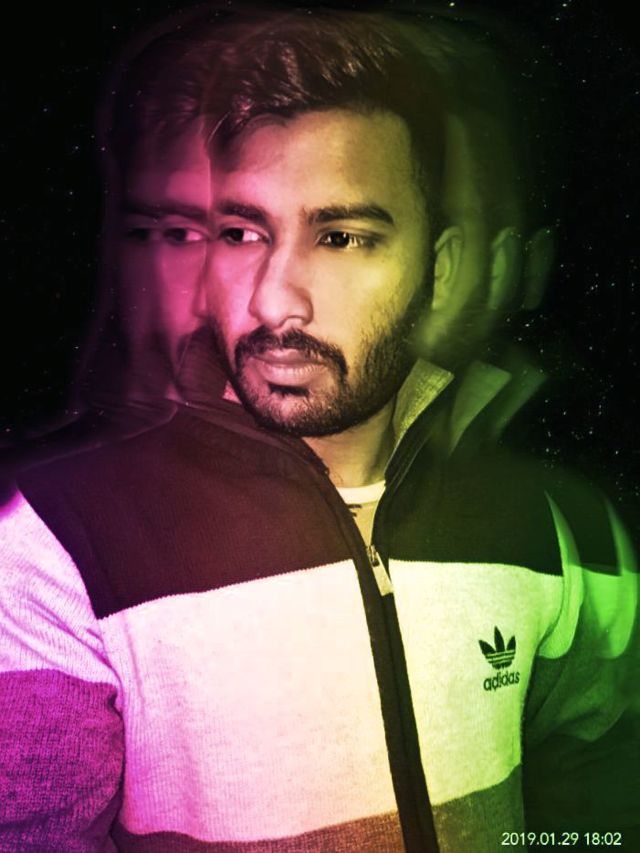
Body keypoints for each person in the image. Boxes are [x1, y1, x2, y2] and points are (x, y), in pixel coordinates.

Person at [1, 6, 636, 852]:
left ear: (439, 268)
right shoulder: (56, 547)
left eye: (340, 237)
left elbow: (595, 785)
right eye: (242, 233)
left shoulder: (559, 528)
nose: (273, 300)